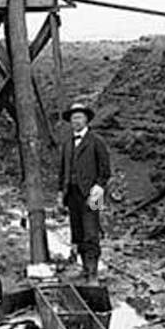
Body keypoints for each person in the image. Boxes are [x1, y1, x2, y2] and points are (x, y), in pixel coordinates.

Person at [58, 100, 111, 285]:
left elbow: (105, 170)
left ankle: (93, 273)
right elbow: (62, 170)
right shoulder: (66, 143)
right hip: (72, 193)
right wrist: (60, 192)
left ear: (86, 120)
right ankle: (83, 267)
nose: (76, 121)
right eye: (73, 118)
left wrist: (99, 188)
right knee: (77, 232)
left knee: (91, 232)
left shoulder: (97, 141)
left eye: (80, 117)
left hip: (94, 193)